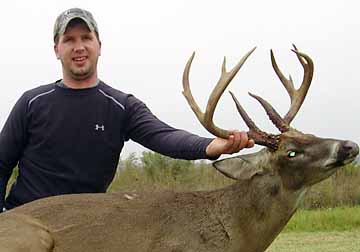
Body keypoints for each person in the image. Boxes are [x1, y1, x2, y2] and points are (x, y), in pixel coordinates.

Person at [0, 8, 254, 212]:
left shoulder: (121, 107)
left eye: (86, 38)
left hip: (84, 226)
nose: (79, 47)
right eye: (69, 40)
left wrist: (211, 146)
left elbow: (163, 136)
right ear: (57, 49)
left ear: (99, 45)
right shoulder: (32, 103)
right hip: (26, 218)